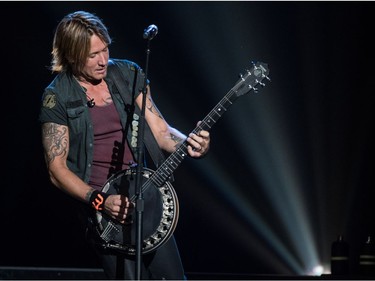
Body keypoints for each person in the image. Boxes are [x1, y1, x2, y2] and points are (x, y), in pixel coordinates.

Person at [39, 11, 210, 280]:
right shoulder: (57, 95)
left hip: (143, 199)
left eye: (105, 50)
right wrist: (101, 201)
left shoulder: (128, 74)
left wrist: (190, 142)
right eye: (92, 55)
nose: (103, 60)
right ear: (71, 56)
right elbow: (56, 170)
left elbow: (162, 132)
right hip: (104, 216)